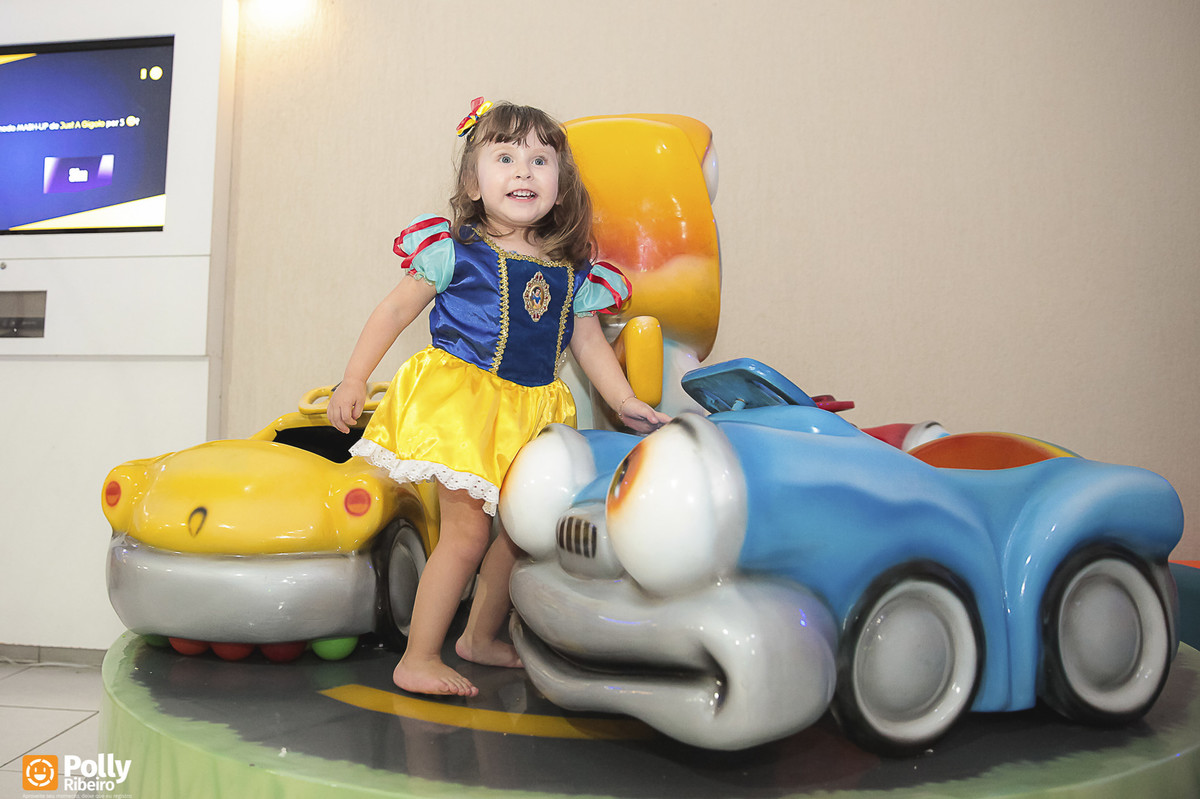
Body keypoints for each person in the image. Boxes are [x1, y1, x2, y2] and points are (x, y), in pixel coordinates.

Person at [328, 98, 671, 697]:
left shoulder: (572, 270)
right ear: (473, 182)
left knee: (519, 534)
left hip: (530, 412)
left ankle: (477, 638)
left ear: (561, 186)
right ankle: (418, 658)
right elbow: (394, 311)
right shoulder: (454, 251)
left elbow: (588, 343)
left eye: (540, 160)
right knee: (465, 536)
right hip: (463, 407)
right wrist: (354, 378)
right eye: (505, 157)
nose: (523, 171)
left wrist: (623, 401)